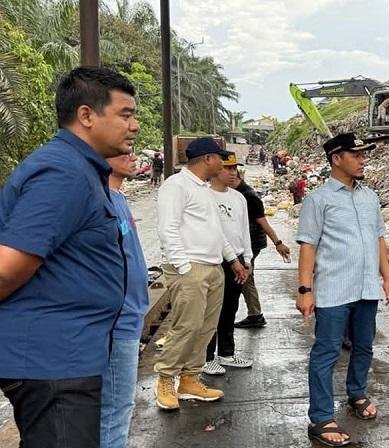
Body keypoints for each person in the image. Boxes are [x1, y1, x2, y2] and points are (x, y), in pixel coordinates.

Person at [0, 66, 137, 448]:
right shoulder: (64, 172)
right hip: (53, 362)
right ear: (87, 115)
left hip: (67, 357)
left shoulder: (80, 169)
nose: (135, 126)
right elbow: (6, 269)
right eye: (125, 114)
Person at [296, 132, 389, 446]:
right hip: (333, 290)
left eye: (364, 154)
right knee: (326, 352)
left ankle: (357, 393)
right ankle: (321, 417)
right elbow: (308, 246)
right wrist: (304, 289)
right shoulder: (318, 199)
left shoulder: (370, 197)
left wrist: (387, 278)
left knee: (364, 346)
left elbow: (379, 239)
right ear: (336, 159)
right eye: (356, 155)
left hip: (366, 288)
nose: (363, 160)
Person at [155, 137, 248, 411]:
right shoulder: (176, 186)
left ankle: (190, 379)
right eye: (220, 157)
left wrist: (233, 260)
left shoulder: (204, 189)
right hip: (191, 268)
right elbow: (168, 229)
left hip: (213, 267)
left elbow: (217, 231)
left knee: (205, 328)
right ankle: (165, 379)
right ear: (207, 159)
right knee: (186, 327)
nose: (223, 163)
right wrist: (184, 268)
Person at [101, 152, 150, 448]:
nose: (132, 157)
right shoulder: (101, 200)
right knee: (114, 410)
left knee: (117, 408)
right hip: (118, 322)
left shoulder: (118, 197)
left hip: (130, 316)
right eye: (123, 151)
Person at [203, 153, 255, 375]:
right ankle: (206, 357)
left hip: (238, 259)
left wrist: (248, 259)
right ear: (216, 169)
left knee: (230, 307)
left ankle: (226, 353)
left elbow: (244, 230)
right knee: (211, 310)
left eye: (235, 168)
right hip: (215, 260)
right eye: (228, 168)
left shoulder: (238, 198)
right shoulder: (205, 196)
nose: (233, 172)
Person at [233, 169, 291, 329]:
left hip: (250, 244)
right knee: (245, 277)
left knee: (245, 277)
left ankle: (255, 315)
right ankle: (255, 314)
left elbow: (262, 221)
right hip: (246, 243)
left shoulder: (248, 196)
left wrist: (278, 242)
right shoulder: (238, 193)